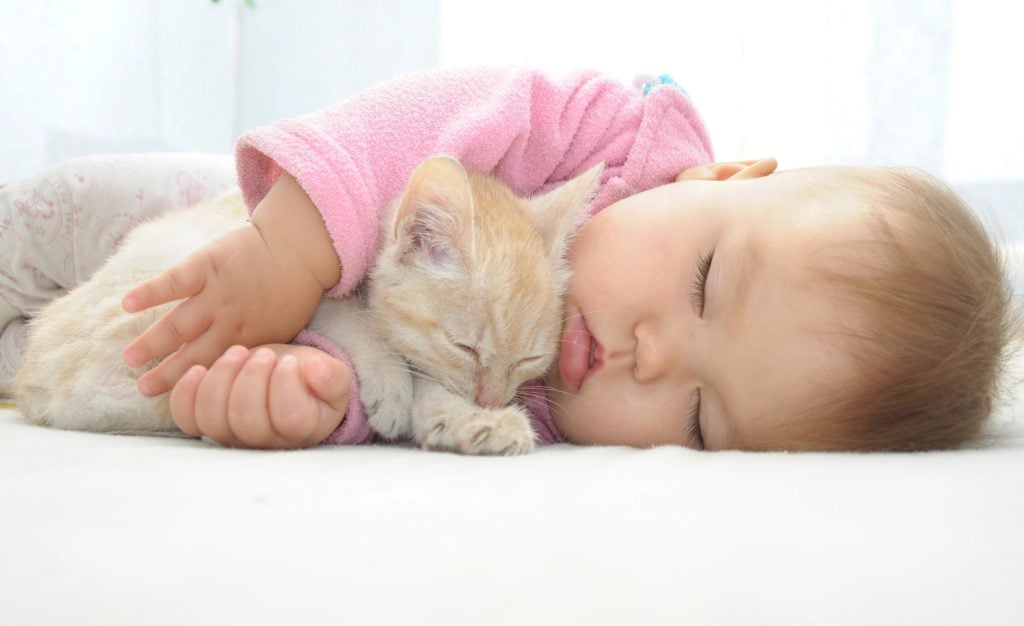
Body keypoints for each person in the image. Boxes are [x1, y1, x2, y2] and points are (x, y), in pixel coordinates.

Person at [2, 68, 1014, 451]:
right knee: (52, 227)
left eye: (701, 417)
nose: (650, 355)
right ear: (720, 180)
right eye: (706, 282)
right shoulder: (613, 133)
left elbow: (395, 385)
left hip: (357, 302)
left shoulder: (546, 408)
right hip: (288, 202)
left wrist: (322, 397)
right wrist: (282, 251)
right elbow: (421, 125)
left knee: (93, 352)